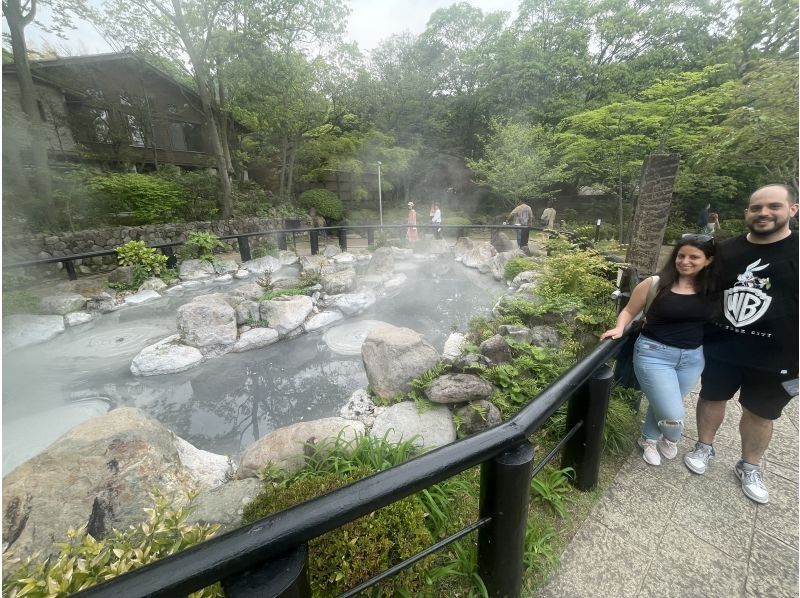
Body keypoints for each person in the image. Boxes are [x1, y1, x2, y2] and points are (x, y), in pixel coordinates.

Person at [684, 184, 798, 504]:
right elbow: (701, 293)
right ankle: (704, 446)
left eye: (774, 206)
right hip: (722, 346)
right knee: (711, 397)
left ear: (792, 210)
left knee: (761, 414)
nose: (764, 213)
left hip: (780, 355)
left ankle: (749, 466)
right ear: (746, 213)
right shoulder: (725, 251)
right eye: (756, 207)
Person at [601, 235, 716, 466]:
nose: (685, 261)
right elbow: (629, 310)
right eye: (681, 255)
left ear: (708, 260)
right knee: (672, 415)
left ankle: (649, 439)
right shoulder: (655, 283)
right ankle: (672, 436)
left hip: (693, 357)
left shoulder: (713, 288)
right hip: (654, 353)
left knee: (661, 402)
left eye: (694, 257)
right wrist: (619, 327)